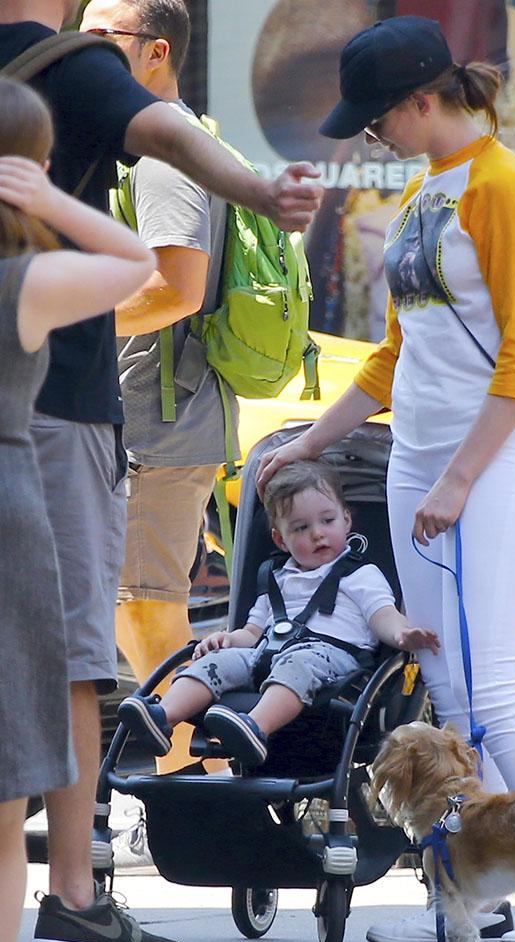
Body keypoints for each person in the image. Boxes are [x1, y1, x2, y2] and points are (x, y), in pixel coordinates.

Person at [256, 15, 515, 942]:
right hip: (425, 460)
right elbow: (394, 355)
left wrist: (455, 478)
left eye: (377, 120)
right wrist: (308, 441)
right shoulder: (425, 191)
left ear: (422, 99)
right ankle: (477, 896)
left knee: (489, 689)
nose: (375, 136)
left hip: (491, 459)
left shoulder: (502, 185)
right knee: (447, 685)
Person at [0, 0, 322, 942]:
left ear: (156, 48)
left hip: (140, 424)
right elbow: (157, 262)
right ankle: (73, 890)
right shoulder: (65, 68)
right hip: (57, 426)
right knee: (65, 663)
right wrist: (267, 194)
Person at [0, 79, 167, 942]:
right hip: (12, 501)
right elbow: (136, 262)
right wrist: (50, 198)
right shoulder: (23, 285)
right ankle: (64, 901)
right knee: (18, 752)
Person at [79, 0, 232, 778]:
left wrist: (71, 314)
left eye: (102, 38)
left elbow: (178, 287)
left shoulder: (166, 154)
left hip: (160, 419)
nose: (85, 50)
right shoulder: (153, 142)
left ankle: (193, 783)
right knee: (132, 605)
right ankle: (189, 778)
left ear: (155, 51)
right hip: (155, 414)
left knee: (146, 605)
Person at [118, 460, 440, 767]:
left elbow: (381, 614)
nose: (317, 534)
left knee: (296, 664)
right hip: (267, 653)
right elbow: (252, 633)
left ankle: (255, 727)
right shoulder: (277, 577)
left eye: (327, 521)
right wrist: (226, 640)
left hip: (331, 662)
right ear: (280, 539)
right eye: (301, 528)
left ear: (346, 520)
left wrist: (402, 632)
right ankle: (163, 718)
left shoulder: (360, 575)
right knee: (213, 663)